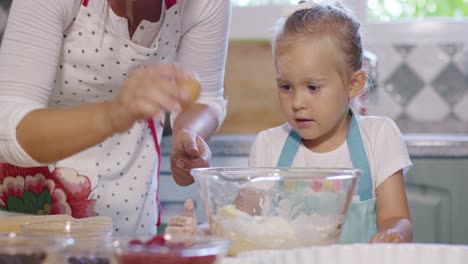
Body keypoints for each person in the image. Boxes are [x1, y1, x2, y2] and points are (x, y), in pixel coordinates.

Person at [166, 1, 413, 243]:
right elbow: (240, 223)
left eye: (313, 87)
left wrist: (394, 235)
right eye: (286, 86)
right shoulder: (269, 145)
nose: (297, 102)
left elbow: (395, 217)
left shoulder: (379, 136)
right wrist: (200, 233)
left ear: (354, 84)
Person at [0, 0, 230, 236]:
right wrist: (113, 115)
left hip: (134, 218)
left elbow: (206, 98)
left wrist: (188, 134)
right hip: (32, 221)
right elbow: (8, 124)